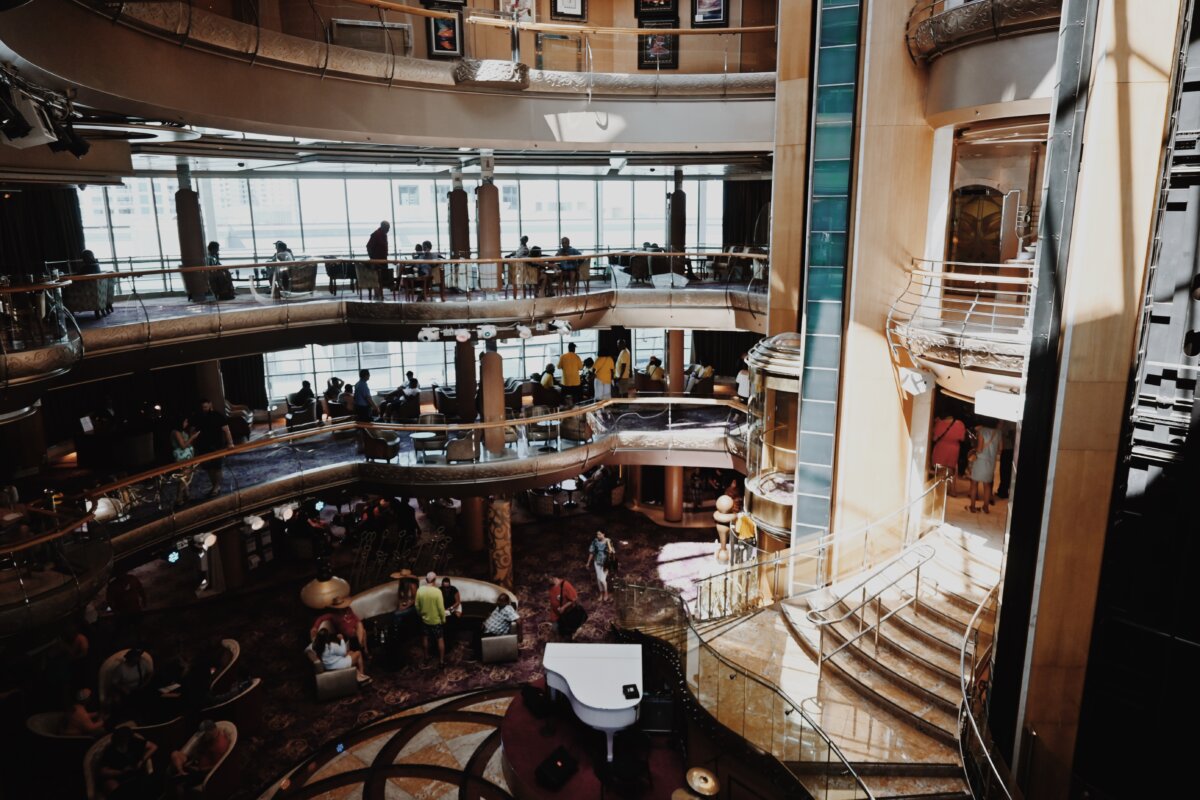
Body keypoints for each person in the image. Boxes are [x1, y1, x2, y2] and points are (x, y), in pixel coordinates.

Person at [169, 719, 231, 791]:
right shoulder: (208, 739)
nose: (203, 736)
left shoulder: (219, 746)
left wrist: (198, 769)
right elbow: (196, 751)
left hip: (204, 773)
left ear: (212, 732)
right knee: (173, 761)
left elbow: (218, 766)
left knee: (176, 782)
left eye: (205, 734)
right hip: (196, 764)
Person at [98, 726, 157, 799]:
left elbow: (153, 747)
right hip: (118, 777)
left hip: (135, 774)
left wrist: (142, 761)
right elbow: (102, 772)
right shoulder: (110, 751)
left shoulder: (134, 742)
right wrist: (120, 772)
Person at [194, 398, 234, 498]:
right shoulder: (199, 417)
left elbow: (226, 430)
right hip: (203, 446)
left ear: (210, 405)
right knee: (208, 468)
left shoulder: (217, 416)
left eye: (206, 407)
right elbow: (195, 433)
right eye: (202, 407)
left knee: (217, 466)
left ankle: (217, 486)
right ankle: (214, 485)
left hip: (217, 445)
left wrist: (230, 443)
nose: (204, 409)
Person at [930, 411, 968, 496]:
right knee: (951, 470)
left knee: (939, 470)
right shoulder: (960, 424)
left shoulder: (939, 423)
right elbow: (962, 438)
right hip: (953, 449)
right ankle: (951, 490)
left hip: (941, 448)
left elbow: (934, 438)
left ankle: (939, 490)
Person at [967, 423, 1001, 514]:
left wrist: (974, 449)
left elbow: (979, 449)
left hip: (980, 461)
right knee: (987, 485)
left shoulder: (982, 431)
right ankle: (985, 507)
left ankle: (972, 507)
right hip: (991, 462)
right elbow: (1000, 449)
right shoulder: (998, 432)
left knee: (974, 483)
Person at [415, 571, 447, 667]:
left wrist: (420, 614)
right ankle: (441, 662)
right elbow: (441, 608)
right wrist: (443, 619)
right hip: (436, 621)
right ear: (435, 580)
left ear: (426, 580)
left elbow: (416, 606)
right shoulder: (437, 592)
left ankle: (426, 657)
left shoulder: (420, 590)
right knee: (440, 639)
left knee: (425, 638)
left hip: (425, 620)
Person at [106, 570, 147, 643]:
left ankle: (139, 639)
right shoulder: (113, 586)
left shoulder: (132, 579)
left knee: (137, 625)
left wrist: (144, 600)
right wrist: (115, 610)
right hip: (123, 611)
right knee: (125, 627)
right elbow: (109, 600)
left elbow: (140, 589)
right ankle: (128, 640)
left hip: (135, 608)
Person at [170, 416, 198, 506]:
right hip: (182, 458)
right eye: (185, 422)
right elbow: (183, 445)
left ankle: (187, 495)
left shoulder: (181, 431)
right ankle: (179, 498)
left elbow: (188, 443)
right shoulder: (176, 432)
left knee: (187, 477)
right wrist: (193, 437)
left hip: (188, 456)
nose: (186, 423)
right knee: (183, 477)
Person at [585, 530, 615, 603]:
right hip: (597, 562)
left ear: (603, 534)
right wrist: (588, 562)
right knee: (598, 579)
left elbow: (612, 552)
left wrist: (608, 543)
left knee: (602, 579)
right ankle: (601, 593)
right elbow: (591, 552)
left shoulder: (608, 541)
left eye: (599, 534)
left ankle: (606, 593)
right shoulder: (595, 541)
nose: (598, 536)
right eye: (597, 534)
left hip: (606, 562)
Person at [366, 221, 390, 300]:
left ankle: (380, 295)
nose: (388, 230)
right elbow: (368, 246)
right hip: (376, 261)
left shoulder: (384, 234)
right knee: (376, 279)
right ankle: (377, 295)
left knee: (381, 279)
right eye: (387, 228)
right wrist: (372, 258)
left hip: (383, 261)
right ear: (383, 227)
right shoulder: (376, 234)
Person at [994, 420, 1016, 500]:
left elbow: (1013, 435)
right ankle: (1002, 490)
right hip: (1006, 449)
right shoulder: (1006, 423)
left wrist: (1015, 449)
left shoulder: (1010, 423)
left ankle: (1003, 492)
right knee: (1004, 471)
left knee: (1005, 471)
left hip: (1008, 450)